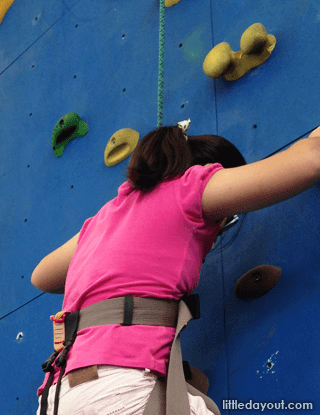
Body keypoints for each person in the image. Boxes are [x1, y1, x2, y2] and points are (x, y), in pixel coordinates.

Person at [31, 124, 320, 415]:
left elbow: (42, 276)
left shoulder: (104, 219)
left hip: (58, 398)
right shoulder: (189, 188)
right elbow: (311, 159)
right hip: (119, 388)